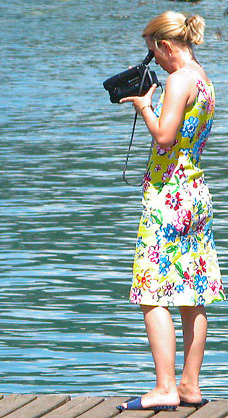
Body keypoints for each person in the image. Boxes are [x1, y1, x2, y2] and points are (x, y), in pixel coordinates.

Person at [116, 11, 223, 412]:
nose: (154, 62)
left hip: (169, 199)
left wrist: (145, 105)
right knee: (193, 293)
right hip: (196, 193)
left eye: (153, 53)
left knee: (151, 291)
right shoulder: (203, 77)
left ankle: (165, 389)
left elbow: (163, 136)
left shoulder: (178, 81)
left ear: (165, 45)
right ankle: (190, 386)